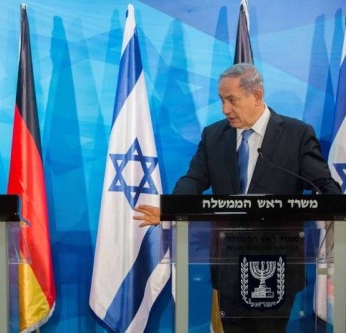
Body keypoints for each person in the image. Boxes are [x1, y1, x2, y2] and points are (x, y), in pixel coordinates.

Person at [134, 63, 341, 332]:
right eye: (221, 99)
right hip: (228, 261)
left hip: (277, 261)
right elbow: (194, 180)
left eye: (231, 100)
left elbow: (323, 183)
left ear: (256, 96)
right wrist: (170, 209)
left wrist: (339, 209)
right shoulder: (214, 136)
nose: (224, 109)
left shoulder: (297, 135)